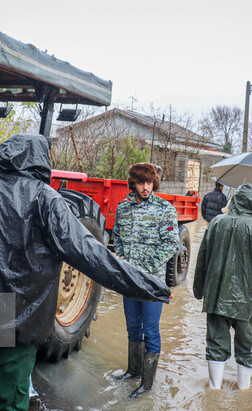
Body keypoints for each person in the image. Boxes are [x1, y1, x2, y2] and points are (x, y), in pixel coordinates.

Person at [0, 133, 171, 410]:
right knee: (10, 399)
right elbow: (89, 253)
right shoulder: (45, 198)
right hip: (18, 324)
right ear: (39, 160)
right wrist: (148, 285)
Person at [193, 183, 252, 390]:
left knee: (216, 344)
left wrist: (198, 290)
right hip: (246, 301)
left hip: (216, 298)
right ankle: (244, 391)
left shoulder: (216, 222)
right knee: (246, 347)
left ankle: (214, 390)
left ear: (234, 201)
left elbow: (202, 260)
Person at [112, 163, 180, 398]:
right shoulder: (123, 207)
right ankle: (133, 371)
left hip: (151, 283)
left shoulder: (165, 209)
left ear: (154, 183)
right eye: (141, 182)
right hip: (129, 280)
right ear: (133, 183)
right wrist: (121, 258)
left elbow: (172, 243)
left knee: (150, 330)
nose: (145, 187)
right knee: (133, 328)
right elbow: (116, 237)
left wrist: (146, 268)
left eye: (149, 182)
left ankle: (147, 384)